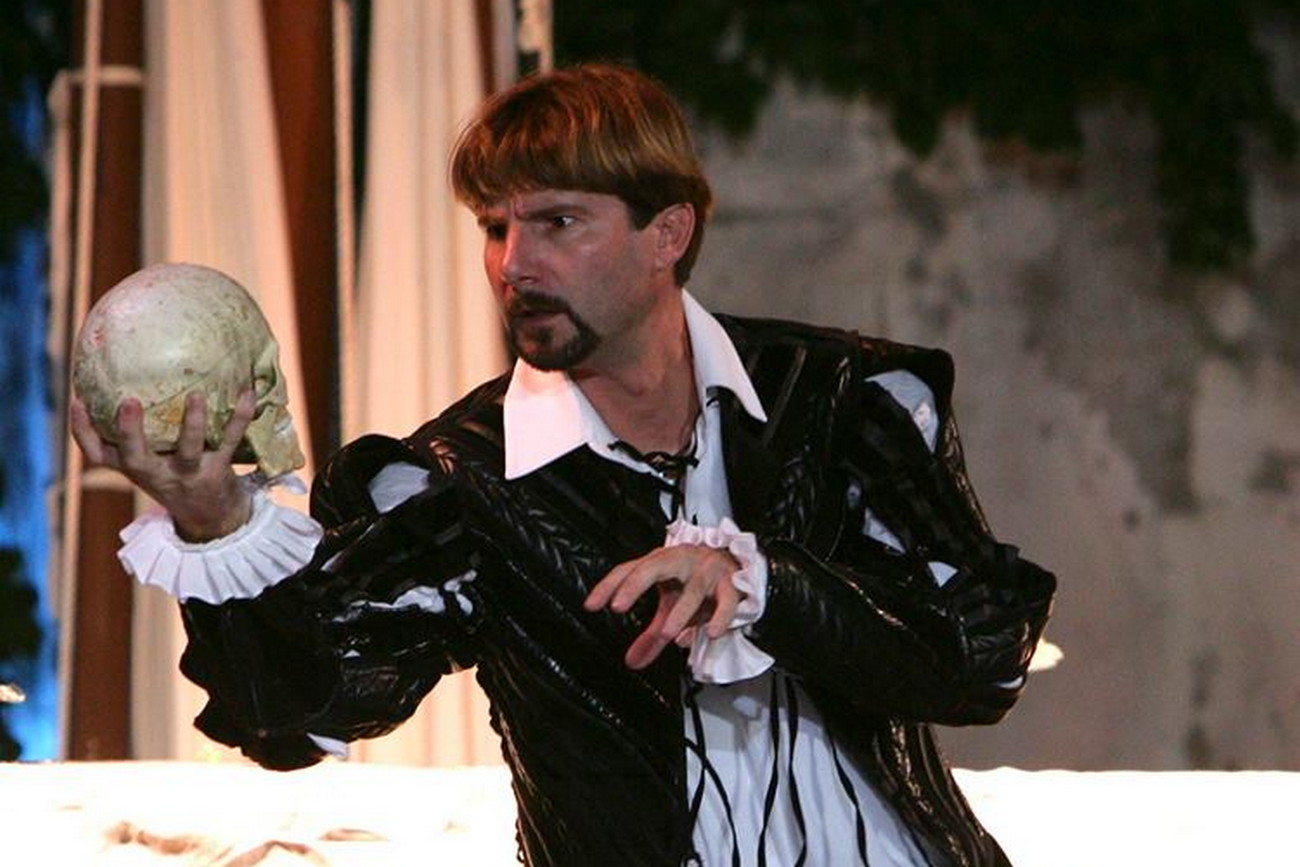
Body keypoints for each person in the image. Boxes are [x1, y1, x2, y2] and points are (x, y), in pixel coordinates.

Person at [71, 63, 1055, 867]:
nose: (513, 264)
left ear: (668, 232)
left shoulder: (840, 402)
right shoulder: (459, 479)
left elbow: (981, 661)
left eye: (558, 222)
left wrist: (764, 584)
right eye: (495, 228)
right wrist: (213, 521)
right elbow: (299, 715)